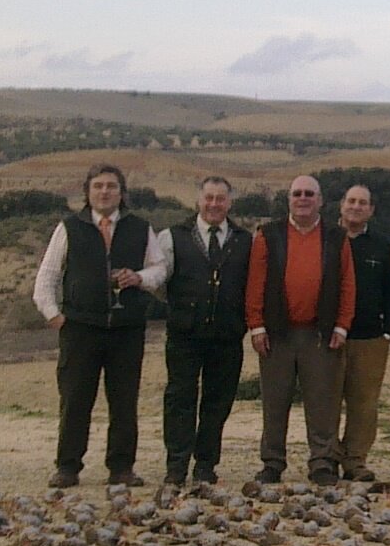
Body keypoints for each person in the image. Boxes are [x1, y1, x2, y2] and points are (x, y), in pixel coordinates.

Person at [32, 163, 165, 488]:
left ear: (122, 193)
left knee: (124, 401)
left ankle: (121, 468)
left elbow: (159, 268)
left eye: (111, 186)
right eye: (98, 186)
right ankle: (67, 467)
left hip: (126, 329)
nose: (105, 192)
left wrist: (140, 278)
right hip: (80, 329)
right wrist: (54, 316)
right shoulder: (69, 228)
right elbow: (47, 277)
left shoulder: (140, 227)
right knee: (76, 399)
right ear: (88, 192)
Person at [243, 174, 357, 486]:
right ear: (288, 199)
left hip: (320, 334)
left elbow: (347, 284)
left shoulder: (337, 237)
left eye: (309, 193)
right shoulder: (268, 235)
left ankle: (322, 462)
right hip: (277, 333)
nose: (303, 198)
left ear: (320, 200)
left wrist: (342, 326)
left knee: (322, 403)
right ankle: (272, 462)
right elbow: (255, 283)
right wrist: (256, 326)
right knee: (274, 402)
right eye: (297, 193)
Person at [154, 175, 251, 487]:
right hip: (184, 335)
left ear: (229, 203)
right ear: (198, 201)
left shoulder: (245, 240)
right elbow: (159, 282)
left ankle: (206, 464)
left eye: (220, 199)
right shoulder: (171, 237)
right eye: (208, 198)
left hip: (227, 336)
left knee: (218, 401)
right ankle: (176, 465)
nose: (213, 204)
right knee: (179, 399)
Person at [335, 184, 390, 483]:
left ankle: (355, 461)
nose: (356, 207)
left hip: (370, 337)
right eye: (351, 201)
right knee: (327, 402)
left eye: (363, 203)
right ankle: (325, 459)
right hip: (329, 337)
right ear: (341, 205)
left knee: (364, 404)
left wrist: (387, 331)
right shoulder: (325, 240)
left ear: (371, 210)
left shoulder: (380, 245)